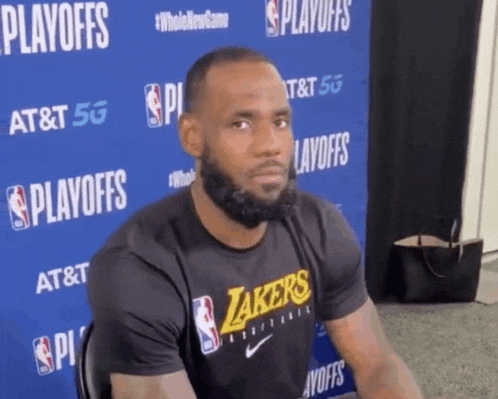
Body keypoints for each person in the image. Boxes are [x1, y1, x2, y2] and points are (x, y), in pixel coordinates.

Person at [87, 46, 424, 399]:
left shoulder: (319, 227)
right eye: (241, 124)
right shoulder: (138, 267)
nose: (270, 146)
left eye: (280, 122)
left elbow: (377, 363)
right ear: (192, 136)